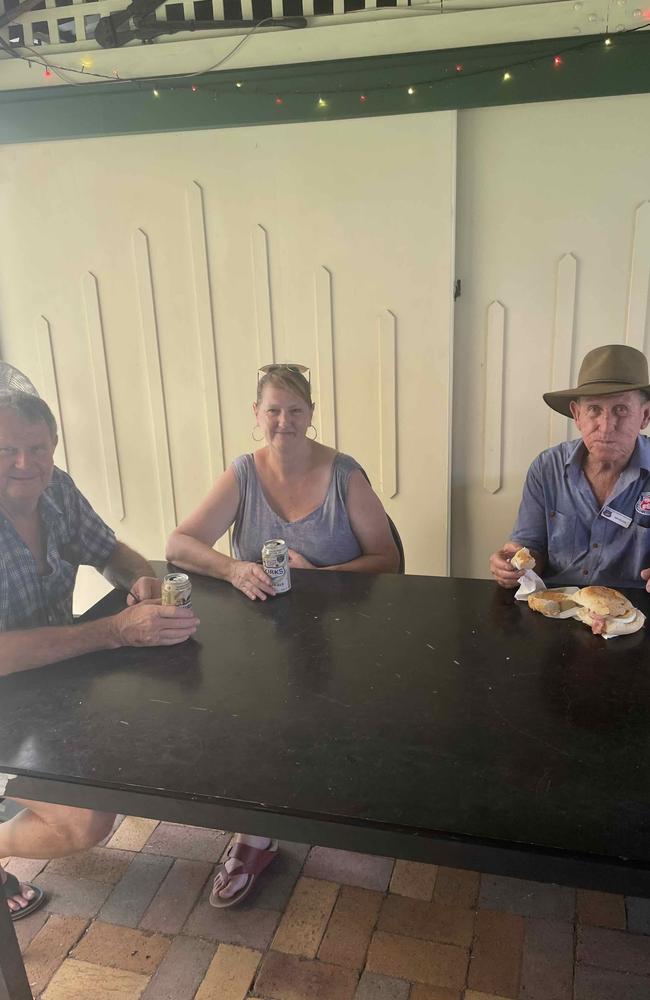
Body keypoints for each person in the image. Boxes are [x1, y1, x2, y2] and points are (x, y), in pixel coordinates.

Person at [166, 362, 399, 905]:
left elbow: (386, 560)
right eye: (273, 409)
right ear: (257, 414)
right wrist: (232, 569)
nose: (283, 421)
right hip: (263, 636)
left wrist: (317, 576)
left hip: (347, 634)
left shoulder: (345, 474)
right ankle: (254, 835)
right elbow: (179, 544)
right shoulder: (243, 473)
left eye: (295, 410)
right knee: (244, 713)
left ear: (311, 415)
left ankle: (348, 813)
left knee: (333, 725)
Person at [0, 390, 199, 921]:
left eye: (37, 448)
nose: (25, 463)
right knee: (83, 822)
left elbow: (109, 551)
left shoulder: (56, 489)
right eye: (7, 450)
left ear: (54, 448)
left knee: (167, 733)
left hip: (56, 684)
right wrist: (114, 630)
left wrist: (142, 582)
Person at [490, 344, 650, 590]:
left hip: (634, 612)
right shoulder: (547, 468)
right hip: (557, 605)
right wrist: (514, 563)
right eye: (594, 410)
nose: (606, 426)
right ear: (577, 415)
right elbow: (530, 548)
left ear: (645, 415)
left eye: (621, 410)